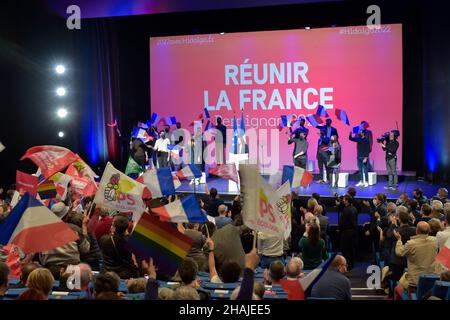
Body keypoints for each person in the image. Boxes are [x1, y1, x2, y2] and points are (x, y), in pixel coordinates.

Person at [40, 203, 90, 280]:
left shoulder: (43, 232)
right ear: (66, 216)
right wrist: (85, 228)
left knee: (49, 291)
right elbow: (85, 249)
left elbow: (41, 256)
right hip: (72, 271)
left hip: (49, 272)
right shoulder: (74, 229)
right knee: (75, 291)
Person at [394, 221, 438, 297]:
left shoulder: (411, 243)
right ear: (429, 230)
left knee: (400, 289)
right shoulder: (435, 240)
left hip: (415, 281)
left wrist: (399, 240)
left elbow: (399, 252)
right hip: (432, 278)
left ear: (417, 230)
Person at [388, 207, 416, 286]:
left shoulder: (396, 231)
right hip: (409, 258)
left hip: (397, 259)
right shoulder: (414, 230)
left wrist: (393, 225)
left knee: (396, 280)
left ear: (399, 220)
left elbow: (389, 235)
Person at [338, 195, 358, 270]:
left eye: (344, 199)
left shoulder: (345, 210)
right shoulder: (354, 208)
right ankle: (351, 264)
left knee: (346, 249)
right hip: (353, 231)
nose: (343, 200)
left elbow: (342, 222)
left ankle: (347, 265)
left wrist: (340, 229)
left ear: (346, 200)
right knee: (351, 248)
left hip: (346, 232)